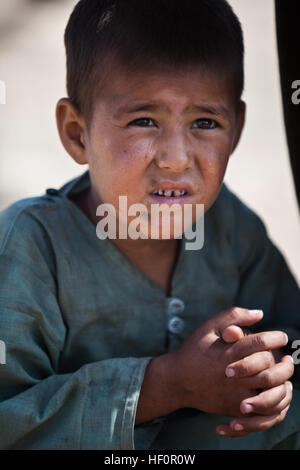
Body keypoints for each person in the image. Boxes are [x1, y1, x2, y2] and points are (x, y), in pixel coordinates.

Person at [0, 0, 299, 450]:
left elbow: (291, 333)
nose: (177, 158)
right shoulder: (29, 246)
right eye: (144, 121)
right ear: (77, 133)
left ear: (235, 130)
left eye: (205, 122)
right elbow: (9, 419)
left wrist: (271, 370)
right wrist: (165, 386)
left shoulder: (231, 227)